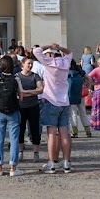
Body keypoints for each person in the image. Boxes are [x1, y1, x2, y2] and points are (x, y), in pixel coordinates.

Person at [33, 43, 74, 174]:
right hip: (64, 101)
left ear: (50, 54)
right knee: (64, 133)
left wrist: (48, 46)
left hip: (51, 100)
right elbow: (70, 53)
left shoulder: (49, 62)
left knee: (51, 134)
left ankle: (52, 163)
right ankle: (67, 162)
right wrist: (60, 48)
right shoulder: (65, 62)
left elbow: (36, 51)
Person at [0, 55, 25, 177]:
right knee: (14, 139)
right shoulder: (16, 79)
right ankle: (13, 167)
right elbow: (21, 97)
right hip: (13, 112)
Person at [17, 56, 43, 162]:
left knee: (35, 129)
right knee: (20, 129)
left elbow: (40, 90)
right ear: (23, 64)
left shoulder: (35, 76)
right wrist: (33, 92)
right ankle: (20, 151)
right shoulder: (17, 76)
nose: (30, 65)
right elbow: (17, 93)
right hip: (21, 106)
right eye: (28, 63)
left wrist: (26, 93)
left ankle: (36, 152)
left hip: (33, 106)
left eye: (32, 63)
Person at [67, 60, 91, 138]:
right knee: (83, 112)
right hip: (80, 95)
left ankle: (75, 132)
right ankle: (88, 131)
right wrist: (87, 87)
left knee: (73, 114)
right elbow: (89, 78)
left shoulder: (67, 73)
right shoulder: (80, 71)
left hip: (71, 95)